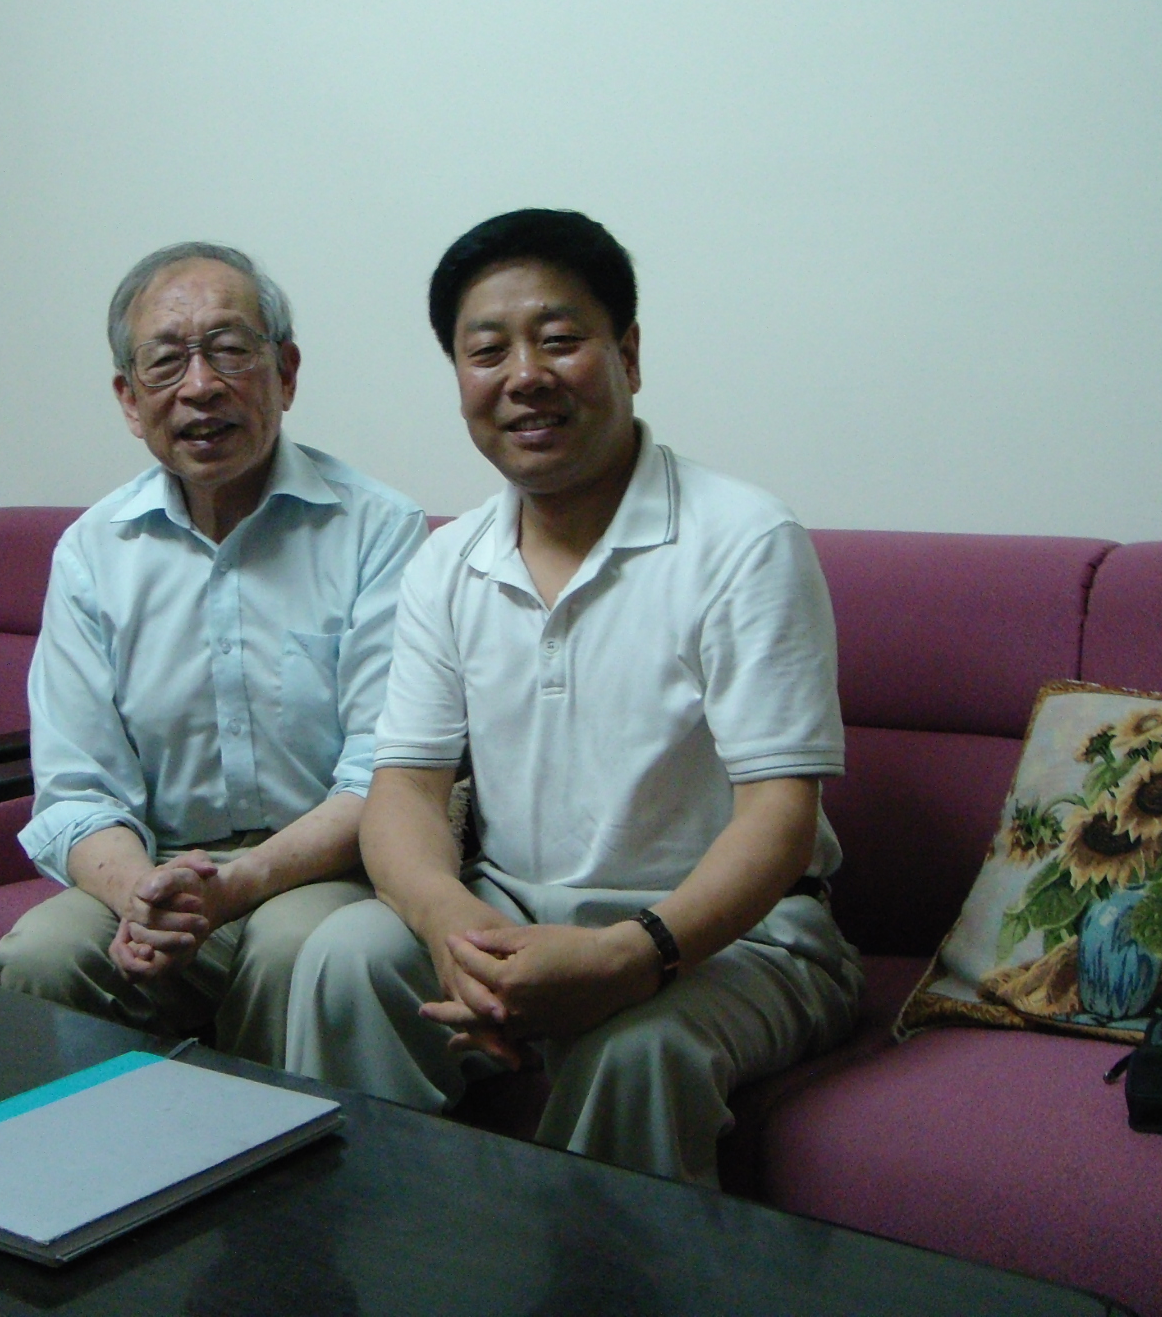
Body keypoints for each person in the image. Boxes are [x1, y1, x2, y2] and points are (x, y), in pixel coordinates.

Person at [287, 209, 863, 1183]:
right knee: (345, 959)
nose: (525, 376)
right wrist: (450, 930)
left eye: (558, 340)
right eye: (487, 352)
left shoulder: (742, 541)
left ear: (627, 355)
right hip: (508, 907)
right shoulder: (446, 563)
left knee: (634, 1051)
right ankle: (373, 1248)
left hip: (742, 939)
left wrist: (631, 957)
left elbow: (779, 816)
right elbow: (405, 791)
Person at [0, 242, 426, 1069]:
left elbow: (386, 772)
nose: (200, 387)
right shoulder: (92, 551)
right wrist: (140, 895)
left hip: (326, 870)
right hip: (160, 864)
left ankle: (280, 1152)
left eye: (229, 350)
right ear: (129, 399)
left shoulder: (377, 530)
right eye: (166, 361)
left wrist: (240, 885)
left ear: (285, 372)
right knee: (44, 954)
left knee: (290, 948)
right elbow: (78, 784)